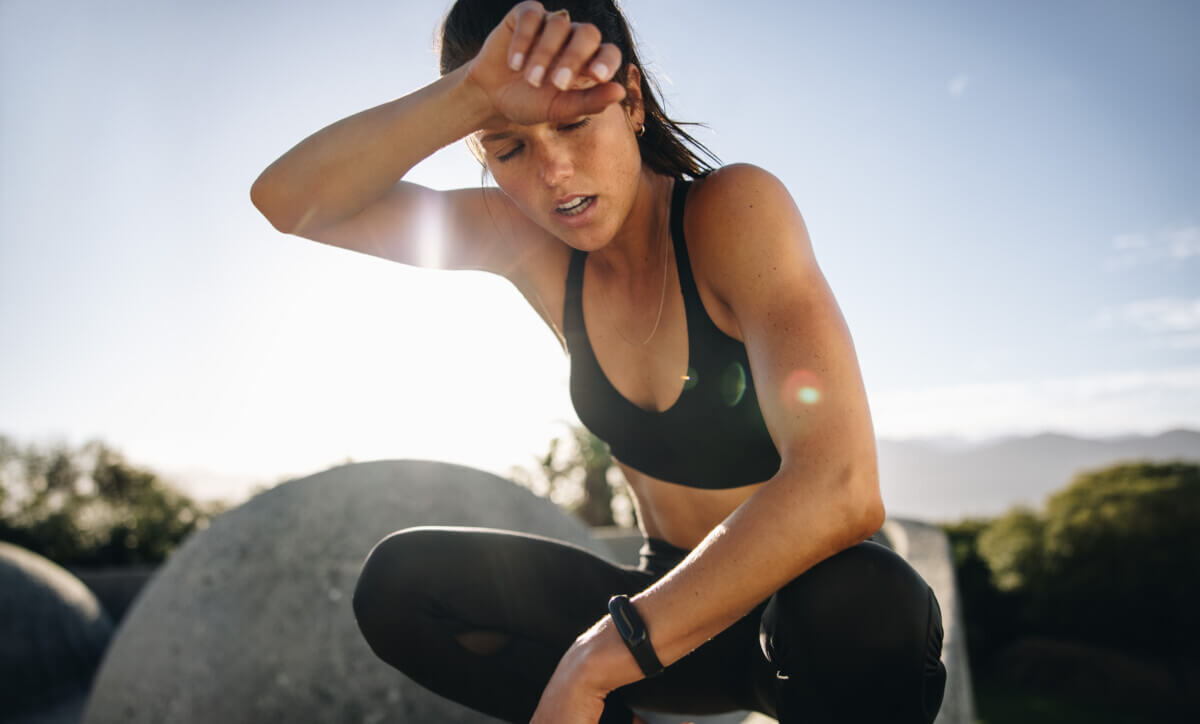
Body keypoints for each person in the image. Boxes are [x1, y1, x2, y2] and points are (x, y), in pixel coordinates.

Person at [250, 1, 947, 722]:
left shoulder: (732, 213)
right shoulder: (521, 242)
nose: (554, 172)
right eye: (508, 147)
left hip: (800, 634)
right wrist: (471, 95)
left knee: (867, 598)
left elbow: (843, 486)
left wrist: (597, 660)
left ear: (633, 102)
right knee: (402, 584)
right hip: (663, 609)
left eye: (574, 123)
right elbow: (290, 201)